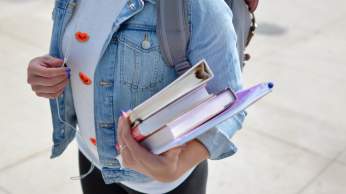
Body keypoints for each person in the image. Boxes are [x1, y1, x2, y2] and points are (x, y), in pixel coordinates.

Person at [27, 0, 258, 193]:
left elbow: (230, 103)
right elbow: (88, 47)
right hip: (92, 160)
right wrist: (47, 72)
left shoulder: (199, 4)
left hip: (163, 186)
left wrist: (178, 164)